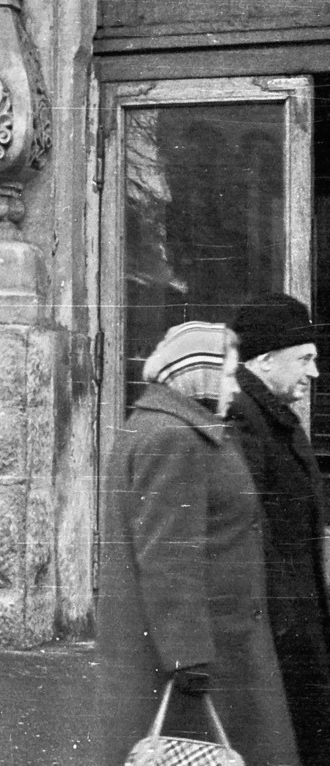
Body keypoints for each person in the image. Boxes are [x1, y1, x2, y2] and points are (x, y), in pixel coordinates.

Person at [96, 321, 298, 766]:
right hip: (204, 652)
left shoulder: (164, 427)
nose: (234, 388)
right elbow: (167, 556)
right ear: (200, 377)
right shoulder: (175, 438)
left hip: (200, 641)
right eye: (226, 375)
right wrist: (189, 658)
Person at [227, 293, 330, 766]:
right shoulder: (246, 423)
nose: (315, 373)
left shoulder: (275, 418)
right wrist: (289, 630)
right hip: (278, 633)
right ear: (265, 360)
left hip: (294, 624)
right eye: (305, 359)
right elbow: (250, 533)